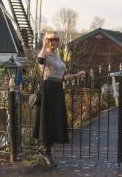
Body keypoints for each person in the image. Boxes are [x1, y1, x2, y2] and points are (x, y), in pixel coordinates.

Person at [33, 31, 85, 166]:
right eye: (51, 39)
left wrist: (77, 75)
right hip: (48, 88)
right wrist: (44, 46)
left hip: (57, 89)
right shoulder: (45, 53)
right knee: (47, 118)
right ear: (46, 40)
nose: (54, 42)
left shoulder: (57, 55)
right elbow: (39, 60)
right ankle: (45, 149)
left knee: (56, 119)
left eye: (56, 39)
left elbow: (62, 77)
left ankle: (45, 148)